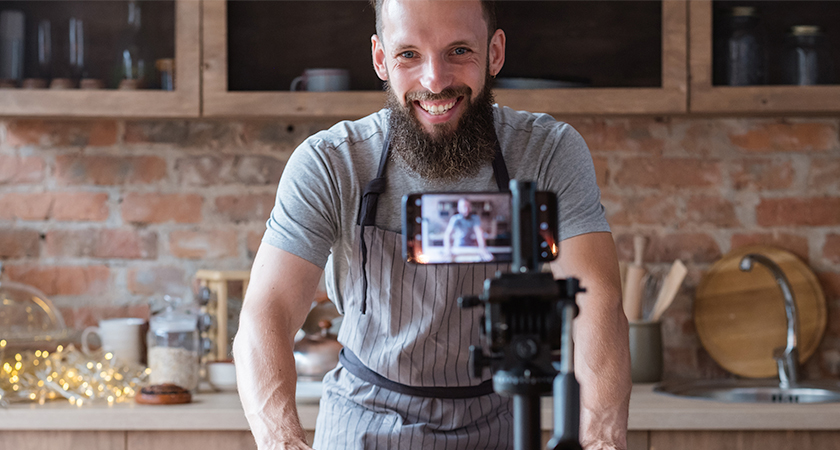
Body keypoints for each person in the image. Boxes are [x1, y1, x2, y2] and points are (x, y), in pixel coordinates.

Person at [233, 0, 631, 449]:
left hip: (499, 427)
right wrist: (282, 442)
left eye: (459, 50)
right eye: (409, 55)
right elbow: (267, 312)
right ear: (381, 59)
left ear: (495, 52)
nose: (435, 80)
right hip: (362, 426)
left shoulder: (548, 152)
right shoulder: (331, 162)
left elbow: (596, 300)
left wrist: (602, 441)